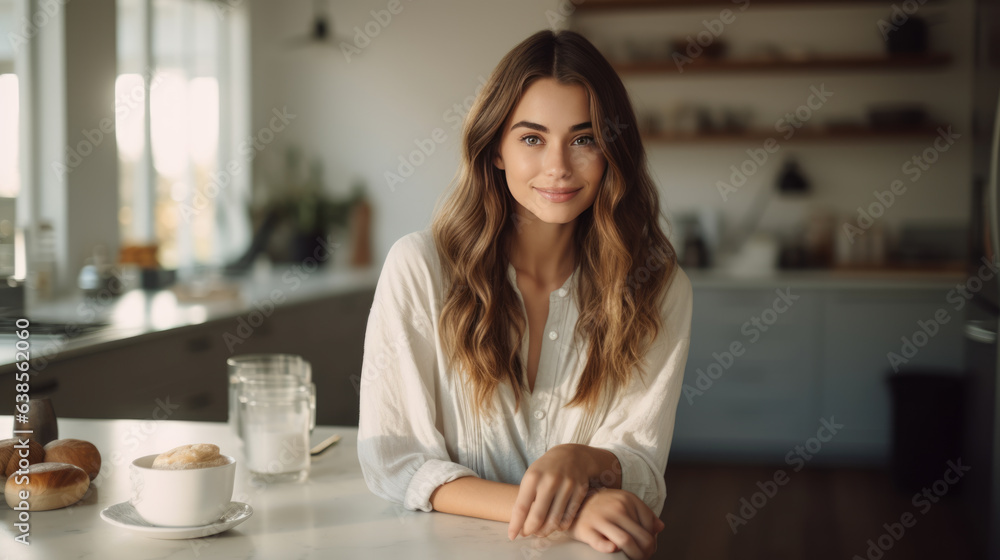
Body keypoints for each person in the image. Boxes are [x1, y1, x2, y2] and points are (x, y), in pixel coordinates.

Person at [357, 29, 692, 560]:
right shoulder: (419, 268)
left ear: (613, 150)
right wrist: (575, 507)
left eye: (584, 139)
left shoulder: (657, 284)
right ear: (495, 149)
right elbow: (396, 462)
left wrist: (584, 460)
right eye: (532, 138)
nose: (558, 166)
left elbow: (643, 468)